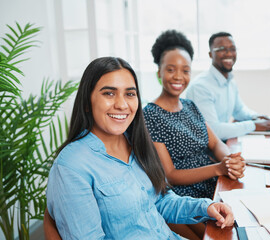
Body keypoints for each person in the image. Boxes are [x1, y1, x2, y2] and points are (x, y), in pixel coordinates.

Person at [45, 57, 235, 240]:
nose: (122, 105)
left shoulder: (136, 143)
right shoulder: (72, 167)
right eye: (109, 93)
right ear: (87, 102)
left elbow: (160, 202)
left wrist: (206, 207)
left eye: (130, 94)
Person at [143, 30, 245, 199]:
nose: (178, 77)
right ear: (158, 73)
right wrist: (219, 168)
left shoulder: (190, 106)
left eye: (185, 70)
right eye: (170, 69)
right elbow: (171, 175)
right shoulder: (150, 115)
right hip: (187, 196)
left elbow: (216, 144)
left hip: (215, 184)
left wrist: (230, 160)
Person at [186, 32, 270, 141]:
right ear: (210, 54)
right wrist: (253, 125)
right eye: (222, 49)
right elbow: (213, 131)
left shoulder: (229, 81)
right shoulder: (201, 87)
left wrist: (257, 117)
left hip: (222, 144)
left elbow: (239, 110)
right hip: (206, 152)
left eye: (232, 49)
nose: (229, 53)